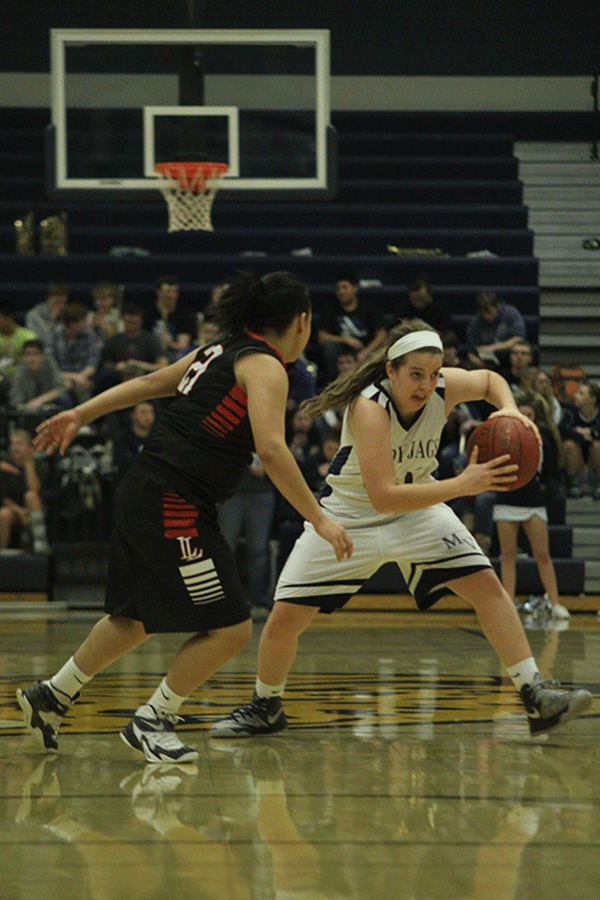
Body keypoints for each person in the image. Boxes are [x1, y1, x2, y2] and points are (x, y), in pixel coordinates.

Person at [16, 270, 352, 764]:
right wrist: (320, 519)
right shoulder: (265, 366)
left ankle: (52, 695)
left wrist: (81, 413)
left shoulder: (220, 350)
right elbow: (273, 450)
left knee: (136, 617)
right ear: (301, 321)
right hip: (175, 500)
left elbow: (152, 383)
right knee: (232, 626)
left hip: (147, 488)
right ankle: (154, 720)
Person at [210, 321, 592, 739]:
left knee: (488, 587)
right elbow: (383, 496)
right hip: (351, 516)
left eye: (433, 375)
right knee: (283, 619)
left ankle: (533, 692)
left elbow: (487, 379)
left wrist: (509, 410)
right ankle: (266, 704)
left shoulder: (444, 386)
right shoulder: (369, 407)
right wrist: (463, 485)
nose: (427, 385)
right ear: (390, 371)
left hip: (419, 510)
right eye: (415, 375)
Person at [493, 390, 570, 620]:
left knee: (542, 554)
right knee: (508, 555)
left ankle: (555, 604)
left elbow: (548, 476)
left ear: (534, 418)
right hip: (506, 499)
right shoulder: (503, 438)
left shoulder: (542, 441)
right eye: (521, 414)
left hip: (533, 502)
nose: (525, 418)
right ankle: (508, 604)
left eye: (529, 415)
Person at [316, 273, 386, 383]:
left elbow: (381, 335)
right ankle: (334, 383)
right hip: (340, 354)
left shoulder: (369, 307)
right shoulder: (330, 308)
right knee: (329, 347)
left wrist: (365, 353)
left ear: (355, 288)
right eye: (338, 288)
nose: (341, 292)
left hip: (365, 351)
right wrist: (346, 340)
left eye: (344, 287)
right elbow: (321, 337)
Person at [94, 301, 168, 394]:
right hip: (118, 381)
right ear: (123, 321)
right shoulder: (113, 341)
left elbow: (163, 365)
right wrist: (118, 367)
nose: (131, 326)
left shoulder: (151, 340)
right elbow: (106, 364)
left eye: (134, 322)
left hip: (145, 381)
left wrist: (139, 365)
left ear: (141, 321)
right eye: (128, 322)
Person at [0, 429, 49, 553]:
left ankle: (40, 545)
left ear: (29, 447)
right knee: (4, 514)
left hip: (34, 508)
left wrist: (28, 464)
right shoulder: (4, 465)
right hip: (13, 508)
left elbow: (34, 489)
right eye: (12, 444)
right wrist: (19, 511)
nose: (15, 448)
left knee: (31, 496)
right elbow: (4, 497)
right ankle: (2, 554)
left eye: (20, 444)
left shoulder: (39, 464)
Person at [45, 301, 102, 404]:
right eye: (83, 321)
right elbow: (51, 367)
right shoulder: (54, 336)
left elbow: (92, 365)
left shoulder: (91, 336)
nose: (87, 324)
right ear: (72, 324)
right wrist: (74, 377)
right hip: (60, 379)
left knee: (83, 387)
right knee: (63, 392)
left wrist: (80, 377)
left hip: (84, 378)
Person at [558, 379, 600, 499]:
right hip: (577, 464)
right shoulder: (571, 411)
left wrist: (590, 432)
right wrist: (581, 435)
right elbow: (561, 431)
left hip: (594, 465)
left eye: (581, 393)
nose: (575, 396)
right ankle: (573, 484)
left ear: (593, 399)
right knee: (568, 444)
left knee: (597, 446)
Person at [465, 290, 527, 370]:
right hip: (486, 364)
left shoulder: (511, 313)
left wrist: (493, 347)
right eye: (483, 313)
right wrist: (480, 363)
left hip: (508, 362)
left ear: (497, 306)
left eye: (490, 312)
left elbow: (519, 339)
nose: (487, 316)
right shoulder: (475, 322)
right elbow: (470, 352)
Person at [150, 275, 197, 364]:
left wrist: (170, 342)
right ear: (158, 292)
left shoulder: (185, 315)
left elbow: (182, 346)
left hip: (175, 357)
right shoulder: (148, 313)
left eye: (175, 292)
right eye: (168, 292)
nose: (172, 296)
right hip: (152, 356)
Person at [111, 400, 156, 481]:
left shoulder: (158, 438)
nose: (148, 417)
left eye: (151, 412)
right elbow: (121, 462)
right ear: (132, 415)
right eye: (143, 412)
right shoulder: (123, 438)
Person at [25, 282, 69, 347]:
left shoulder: (67, 315)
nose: (61, 306)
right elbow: (36, 343)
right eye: (57, 302)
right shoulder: (33, 315)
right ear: (48, 299)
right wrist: (52, 321)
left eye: (64, 303)